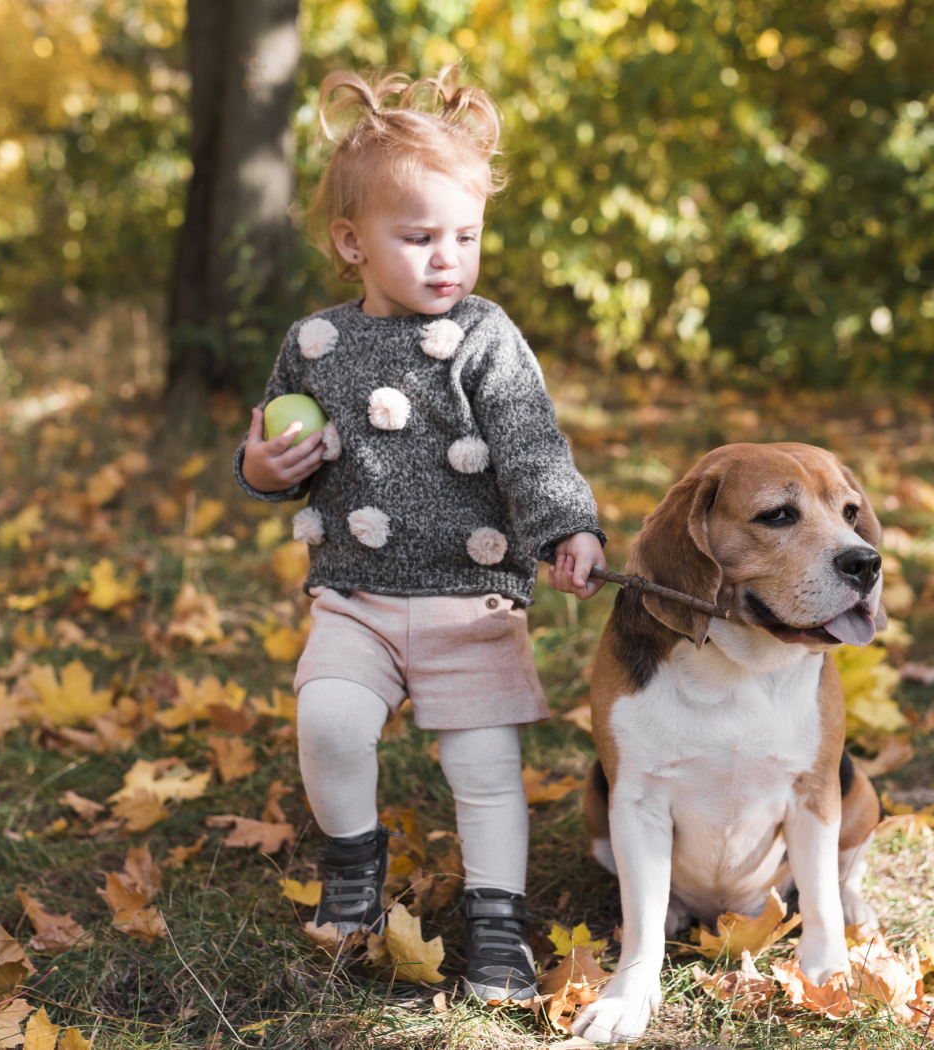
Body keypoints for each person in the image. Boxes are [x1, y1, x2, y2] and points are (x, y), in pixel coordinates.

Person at [233, 66, 605, 1003]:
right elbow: (282, 451)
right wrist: (263, 472)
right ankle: (354, 867)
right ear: (352, 242)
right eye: (419, 237)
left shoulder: (485, 336)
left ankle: (495, 924)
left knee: (485, 771)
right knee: (327, 721)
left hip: (469, 600)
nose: (449, 258)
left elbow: (530, 444)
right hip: (353, 597)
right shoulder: (313, 343)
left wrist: (568, 526)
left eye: (465, 236)